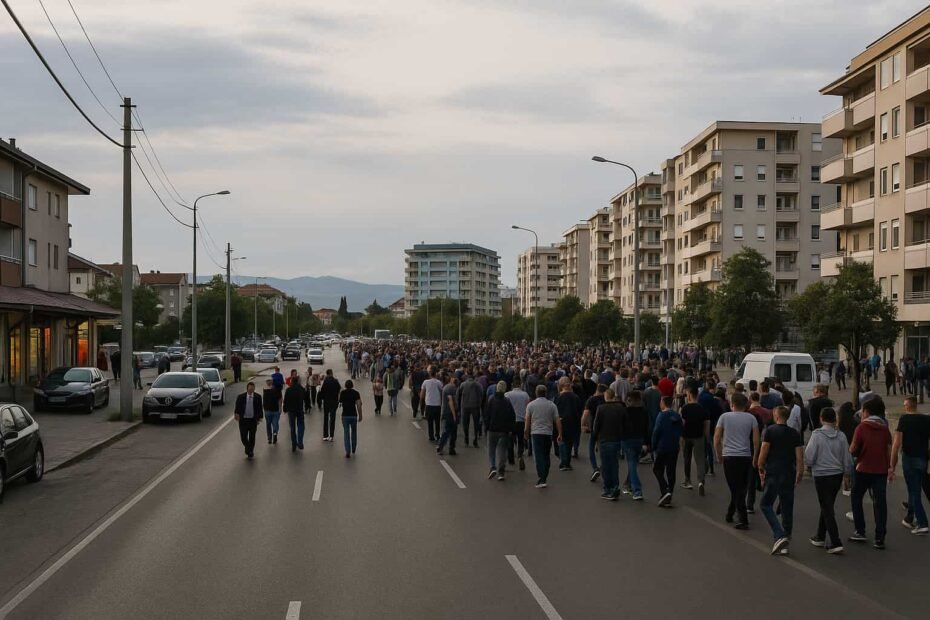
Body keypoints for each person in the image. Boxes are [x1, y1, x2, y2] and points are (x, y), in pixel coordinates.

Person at [805, 407, 853, 554]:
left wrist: (808, 466)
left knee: (827, 507)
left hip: (821, 474)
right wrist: (847, 473)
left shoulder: (817, 435)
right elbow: (847, 458)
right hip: (836, 475)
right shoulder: (841, 436)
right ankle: (819, 535)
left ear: (821, 418)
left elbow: (809, 456)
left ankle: (835, 541)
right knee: (827, 504)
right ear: (835, 419)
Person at [757, 405, 804, 555]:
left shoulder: (770, 431)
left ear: (776, 416)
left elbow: (764, 451)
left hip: (773, 472)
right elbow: (799, 457)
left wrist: (760, 467)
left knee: (765, 504)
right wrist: (799, 472)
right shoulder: (795, 433)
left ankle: (779, 533)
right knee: (787, 507)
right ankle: (786, 541)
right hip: (788, 472)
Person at [849, 397, 892, 549]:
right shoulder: (885, 428)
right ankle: (880, 536)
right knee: (880, 502)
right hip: (880, 470)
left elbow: (853, 449)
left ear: (866, 412)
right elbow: (888, 450)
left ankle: (860, 530)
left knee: (856, 497)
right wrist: (890, 468)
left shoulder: (861, 428)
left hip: (862, 468)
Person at [714, 392, 761, 529]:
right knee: (740, 488)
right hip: (746, 456)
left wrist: (719, 454)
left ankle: (742, 519)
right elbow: (756, 441)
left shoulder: (724, 417)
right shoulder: (751, 418)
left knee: (735, 488)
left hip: (730, 456)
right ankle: (730, 513)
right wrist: (755, 456)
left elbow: (716, 439)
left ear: (731, 404)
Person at [890, 396, 930, 534]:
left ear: (907, 406)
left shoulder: (904, 420)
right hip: (923, 458)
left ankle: (922, 522)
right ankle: (909, 517)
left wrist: (892, 466)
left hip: (909, 458)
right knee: (916, 488)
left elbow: (896, 444)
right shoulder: (926, 419)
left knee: (914, 491)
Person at [525, 385, 562, 488]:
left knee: (538, 456)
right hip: (548, 433)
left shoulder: (531, 405)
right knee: (546, 455)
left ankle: (541, 478)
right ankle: (544, 475)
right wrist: (560, 433)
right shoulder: (552, 405)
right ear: (545, 393)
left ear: (536, 393)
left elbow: (527, 420)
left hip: (536, 432)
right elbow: (557, 420)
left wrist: (526, 432)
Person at [592, 388, 625, 500]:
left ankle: (608, 489)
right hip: (616, 439)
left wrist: (595, 439)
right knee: (614, 465)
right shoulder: (620, 408)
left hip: (604, 439)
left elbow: (596, 426)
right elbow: (625, 423)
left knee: (606, 466)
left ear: (606, 396)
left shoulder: (601, 408)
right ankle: (615, 487)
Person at [652, 395, 683, 508]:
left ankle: (665, 490)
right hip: (674, 447)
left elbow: (656, 431)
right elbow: (681, 430)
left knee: (657, 469)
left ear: (664, 403)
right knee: (671, 471)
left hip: (662, 446)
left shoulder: (661, 416)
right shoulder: (677, 416)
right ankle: (670, 492)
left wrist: (653, 445)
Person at [619, 390, 649, 500]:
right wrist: (646, 443)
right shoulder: (644, 411)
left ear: (630, 399)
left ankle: (637, 490)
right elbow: (647, 428)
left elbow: (621, 427)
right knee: (634, 464)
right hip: (640, 440)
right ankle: (628, 485)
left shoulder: (625, 411)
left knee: (631, 463)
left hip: (627, 440)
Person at [679, 387, 710, 496]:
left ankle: (688, 480)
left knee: (686, 458)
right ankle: (701, 481)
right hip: (699, 437)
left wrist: (680, 436)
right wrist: (706, 438)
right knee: (700, 460)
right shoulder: (702, 409)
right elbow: (706, 425)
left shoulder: (684, 408)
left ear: (690, 395)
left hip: (686, 436)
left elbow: (681, 423)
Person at [485, 381, 516, 480]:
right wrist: (511, 429)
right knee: (502, 451)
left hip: (492, 429)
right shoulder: (507, 401)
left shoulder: (491, 399)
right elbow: (512, 416)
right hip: (504, 430)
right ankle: (501, 472)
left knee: (491, 450)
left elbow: (487, 414)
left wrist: (486, 426)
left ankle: (492, 466)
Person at [555, 377, 583, 471]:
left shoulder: (558, 397)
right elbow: (580, 410)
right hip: (574, 422)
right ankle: (567, 462)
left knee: (562, 441)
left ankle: (564, 462)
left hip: (562, 421)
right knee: (570, 442)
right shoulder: (576, 397)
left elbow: (555, 411)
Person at [582, 383, 608, 482]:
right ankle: (602, 466)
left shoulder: (591, 400)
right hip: (604, 427)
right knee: (601, 446)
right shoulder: (606, 399)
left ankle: (595, 468)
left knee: (591, 447)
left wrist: (583, 425)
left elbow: (585, 414)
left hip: (594, 425)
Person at [505, 381, 531, 471]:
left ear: (512, 385)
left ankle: (511, 459)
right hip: (521, 421)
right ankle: (520, 455)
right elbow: (528, 407)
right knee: (520, 440)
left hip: (511, 421)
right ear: (520, 385)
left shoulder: (507, 395)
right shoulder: (525, 395)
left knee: (510, 441)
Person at [234, 382, 263, 459]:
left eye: (252, 389)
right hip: (243, 420)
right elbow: (237, 407)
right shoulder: (241, 397)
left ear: (254, 389)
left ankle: (250, 451)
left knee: (252, 437)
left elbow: (260, 408)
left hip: (253, 420)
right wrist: (236, 414)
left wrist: (260, 417)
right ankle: (248, 448)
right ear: (247, 389)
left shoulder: (258, 397)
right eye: (250, 389)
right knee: (243, 437)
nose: (251, 390)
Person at [458, 371, 485, 448]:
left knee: (465, 423)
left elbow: (458, 395)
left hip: (465, 406)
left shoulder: (462, 384)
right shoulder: (478, 385)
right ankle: (475, 439)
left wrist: (459, 406)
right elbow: (482, 393)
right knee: (476, 423)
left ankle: (466, 438)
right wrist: (479, 402)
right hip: (475, 406)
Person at [284, 376, 309, 452]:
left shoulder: (288, 390)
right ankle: (300, 441)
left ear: (292, 382)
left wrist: (285, 409)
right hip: (299, 409)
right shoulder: (302, 389)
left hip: (291, 411)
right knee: (301, 425)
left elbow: (286, 400)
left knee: (292, 427)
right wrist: (307, 407)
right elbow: (306, 399)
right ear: (298, 381)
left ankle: (294, 443)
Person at [339, 379, 362, 458]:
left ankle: (347, 451)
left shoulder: (343, 393)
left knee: (346, 433)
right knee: (354, 432)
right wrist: (360, 415)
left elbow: (340, 402)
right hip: (353, 415)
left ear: (345, 385)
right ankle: (354, 448)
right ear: (352, 385)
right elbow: (359, 404)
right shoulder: (356, 393)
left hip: (345, 416)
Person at [437, 374, 459, 455]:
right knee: (451, 432)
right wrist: (454, 415)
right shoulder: (451, 388)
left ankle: (442, 446)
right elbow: (450, 401)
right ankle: (448, 448)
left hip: (445, 412)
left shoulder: (446, 387)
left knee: (446, 431)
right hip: (449, 413)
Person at [421, 368, 444, 443]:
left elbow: (422, 394)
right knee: (437, 422)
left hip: (429, 404)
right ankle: (437, 435)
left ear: (430, 374)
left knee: (430, 422)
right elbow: (441, 391)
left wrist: (423, 400)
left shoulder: (425, 382)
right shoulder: (439, 382)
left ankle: (431, 436)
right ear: (436, 374)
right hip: (437, 404)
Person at [319, 369, 341, 442]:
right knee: (332, 418)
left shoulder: (325, 381)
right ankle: (331, 436)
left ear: (327, 374)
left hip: (326, 402)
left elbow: (322, 391)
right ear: (331, 373)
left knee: (326, 418)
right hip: (334, 402)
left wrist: (322, 398)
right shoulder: (336, 381)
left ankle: (325, 435)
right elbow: (339, 389)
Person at [262, 378, 282, 444]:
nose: (268, 382)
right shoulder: (265, 389)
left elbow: (280, 399)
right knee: (268, 424)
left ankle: (275, 434)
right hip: (267, 410)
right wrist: (264, 408)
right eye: (267, 381)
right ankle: (269, 438)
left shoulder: (277, 389)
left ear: (272, 381)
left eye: (269, 380)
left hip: (275, 410)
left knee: (275, 425)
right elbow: (264, 399)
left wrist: (280, 408)